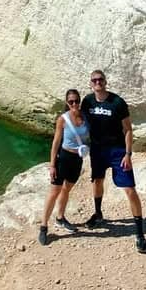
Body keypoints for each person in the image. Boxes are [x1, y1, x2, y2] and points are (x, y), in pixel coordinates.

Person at [81, 69, 146, 253]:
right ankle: (98, 214)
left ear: (105, 81)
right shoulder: (87, 101)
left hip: (117, 151)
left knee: (129, 189)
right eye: (94, 80)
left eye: (100, 80)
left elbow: (127, 129)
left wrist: (128, 153)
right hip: (97, 150)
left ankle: (140, 234)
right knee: (97, 180)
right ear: (91, 83)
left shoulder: (117, 102)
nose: (98, 83)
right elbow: (79, 120)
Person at [37, 88, 90, 246]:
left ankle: (60, 217)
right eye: (71, 101)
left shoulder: (85, 118)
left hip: (77, 159)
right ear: (67, 103)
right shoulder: (63, 119)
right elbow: (56, 142)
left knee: (67, 189)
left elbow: (90, 136)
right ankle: (43, 226)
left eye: (76, 101)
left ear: (79, 101)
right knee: (54, 192)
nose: (74, 104)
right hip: (64, 158)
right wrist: (52, 164)